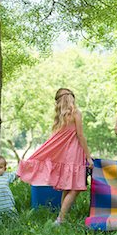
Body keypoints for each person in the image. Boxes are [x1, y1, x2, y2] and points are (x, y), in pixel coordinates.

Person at [17, 88, 94, 225]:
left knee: (67, 187)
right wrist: (88, 157)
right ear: (71, 99)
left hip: (65, 156)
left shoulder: (60, 118)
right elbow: (80, 136)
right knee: (75, 189)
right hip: (74, 154)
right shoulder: (76, 113)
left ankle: (62, 217)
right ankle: (60, 219)